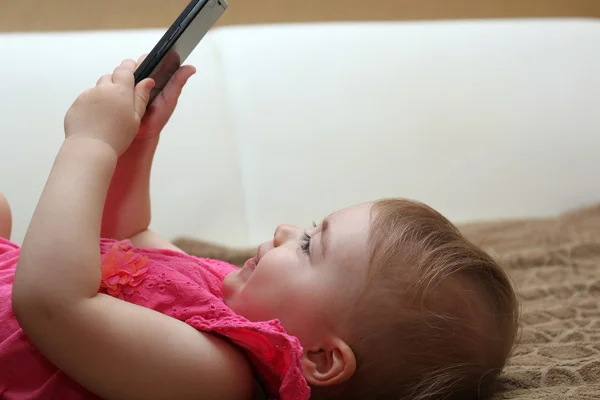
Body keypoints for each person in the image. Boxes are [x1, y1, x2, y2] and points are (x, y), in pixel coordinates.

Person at [0, 57, 519, 400]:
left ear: (319, 357)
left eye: (312, 245)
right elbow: (129, 234)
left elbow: (54, 304)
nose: (286, 230)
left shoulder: (214, 377)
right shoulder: (226, 297)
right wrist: (141, 141)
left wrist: (89, 143)